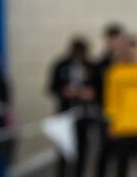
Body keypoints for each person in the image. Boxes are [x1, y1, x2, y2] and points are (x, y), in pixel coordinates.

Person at [48, 38, 98, 177]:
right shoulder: (61, 65)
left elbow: (98, 88)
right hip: (65, 114)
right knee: (64, 152)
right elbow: (52, 87)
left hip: (85, 115)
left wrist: (90, 93)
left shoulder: (91, 66)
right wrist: (64, 91)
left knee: (82, 151)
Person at [94, 23, 125, 176]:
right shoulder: (100, 64)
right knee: (105, 149)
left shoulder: (128, 63)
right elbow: (95, 88)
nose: (114, 43)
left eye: (117, 39)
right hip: (105, 112)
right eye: (111, 40)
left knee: (123, 152)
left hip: (126, 114)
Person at [104, 36, 137, 177]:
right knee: (121, 165)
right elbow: (111, 100)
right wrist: (112, 123)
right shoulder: (115, 72)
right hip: (123, 127)